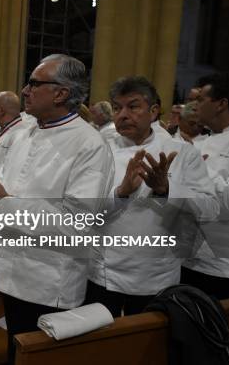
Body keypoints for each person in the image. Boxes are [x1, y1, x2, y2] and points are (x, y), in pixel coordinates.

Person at [0, 54, 114, 364]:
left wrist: (3, 203)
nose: (25, 90)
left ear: (61, 93)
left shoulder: (89, 145)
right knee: (16, 353)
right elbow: (7, 196)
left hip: (49, 282)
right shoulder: (28, 134)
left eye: (35, 83)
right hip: (12, 271)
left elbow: (78, 228)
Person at [85, 76, 219, 317]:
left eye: (133, 106)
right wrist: (120, 193)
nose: (122, 115)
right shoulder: (99, 149)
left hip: (155, 275)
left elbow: (209, 209)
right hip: (103, 272)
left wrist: (167, 190)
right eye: (117, 108)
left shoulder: (183, 152)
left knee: (147, 349)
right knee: (100, 350)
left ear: (154, 110)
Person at [182, 72, 229, 299]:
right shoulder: (201, 142)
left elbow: (227, 204)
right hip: (186, 259)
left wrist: (196, 171)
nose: (194, 105)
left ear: (221, 104)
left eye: (201, 99)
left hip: (220, 267)